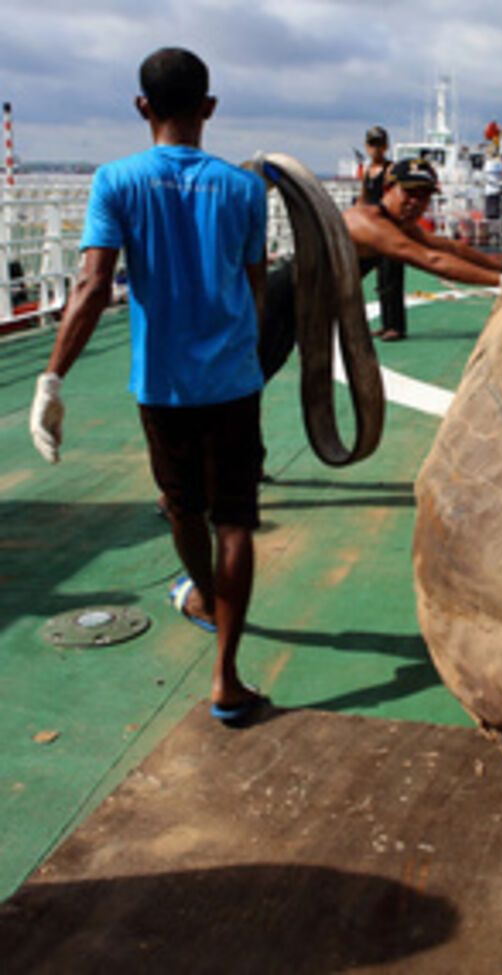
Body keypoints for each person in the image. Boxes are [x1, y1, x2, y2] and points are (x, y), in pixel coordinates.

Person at [28, 47, 268, 726]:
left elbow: (92, 285)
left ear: (142, 106)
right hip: (232, 378)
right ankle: (227, 675)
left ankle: (199, 594)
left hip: (160, 384)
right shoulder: (245, 188)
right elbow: (253, 283)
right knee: (236, 520)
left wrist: (52, 377)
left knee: (181, 505)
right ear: (209, 108)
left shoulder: (116, 180)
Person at [258, 158, 502, 382]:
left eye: (423, 196)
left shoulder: (396, 223)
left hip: (302, 310)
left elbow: (446, 247)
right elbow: (429, 260)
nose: (415, 203)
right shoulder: (368, 223)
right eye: (408, 193)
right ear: (388, 190)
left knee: (258, 379)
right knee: (247, 384)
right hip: (278, 303)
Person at [359, 125, 407, 342]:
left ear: (386, 146)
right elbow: (363, 197)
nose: (375, 149)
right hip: (373, 228)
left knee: (392, 277)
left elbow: (395, 198)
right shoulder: (368, 171)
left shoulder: (390, 170)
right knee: (381, 279)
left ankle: (396, 326)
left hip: (388, 227)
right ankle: (386, 323)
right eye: (371, 144)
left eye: (379, 144)